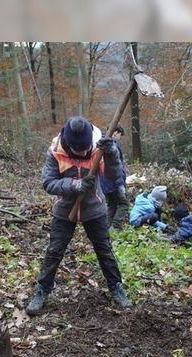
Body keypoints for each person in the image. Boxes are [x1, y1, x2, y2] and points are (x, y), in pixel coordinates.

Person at [25, 116, 132, 315]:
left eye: (85, 149)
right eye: (78, 150)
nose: (83, 153)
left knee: (104, 250)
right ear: (69, 145)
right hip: (65, 209)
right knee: (54, 251)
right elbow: (48, 183)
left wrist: (112, 155)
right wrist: (74, 185)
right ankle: (42, 290)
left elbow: (114, 177)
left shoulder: (100, 146)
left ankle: (116, 287)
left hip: (95, 208)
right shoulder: (55, 152)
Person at [99, 125, 129, 230]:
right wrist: (121, 182)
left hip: (104, 183)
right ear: (116, 133)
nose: (120, 138)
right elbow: (116, 166)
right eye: (120, 135)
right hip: (115, 182)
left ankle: (107, 227)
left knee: (111, 205)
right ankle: (115, 227)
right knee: (124, 204)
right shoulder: (110, 145)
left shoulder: (100, 143)